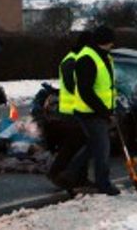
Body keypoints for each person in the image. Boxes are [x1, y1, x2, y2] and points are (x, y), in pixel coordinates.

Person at [58, 25, 120, 196]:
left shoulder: (105, 57)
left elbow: (107, 86)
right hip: (89, 112)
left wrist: (112, 107)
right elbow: (86, 91)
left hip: (98, 111)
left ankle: (68, 174)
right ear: (106, 42)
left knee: (94, 145)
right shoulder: (87, 59)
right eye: (111, 42)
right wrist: (104, 112)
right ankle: (103, 184)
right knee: (102, 147)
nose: (113, 45)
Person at [46, 31, 92, 189]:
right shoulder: (71, 61)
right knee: (73, 145)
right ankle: (56, 172)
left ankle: (79, 178)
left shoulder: (77, 59)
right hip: (70, 112)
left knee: (81, 144)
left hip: (78, 111)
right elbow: (74, 87)